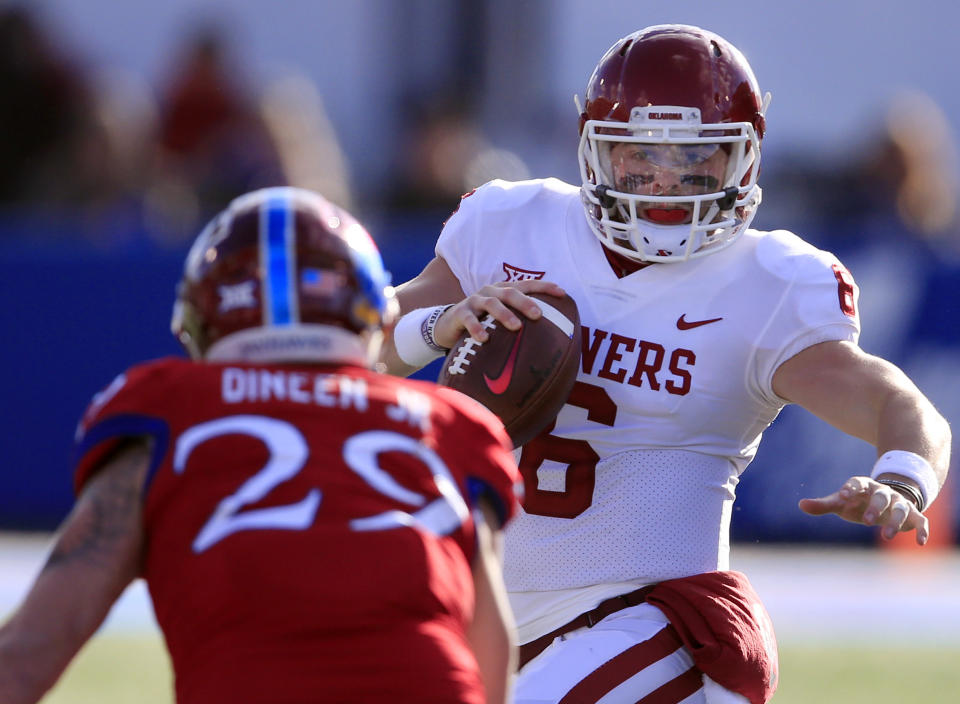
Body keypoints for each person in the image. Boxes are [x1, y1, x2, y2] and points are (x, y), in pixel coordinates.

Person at [380, 24, 952, 704]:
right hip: (493, 616)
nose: (666, 181)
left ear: (744, 160)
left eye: (695, 159)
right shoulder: (512, 222)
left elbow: (893, 398)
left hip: (662, 622)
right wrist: (440, 324)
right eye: (640, 155)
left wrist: (904, 477)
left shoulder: (766, 283)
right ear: (594, 151)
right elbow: (358, 342)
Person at [0, 187, 521, 704]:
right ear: (372, 314)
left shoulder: (165, 411)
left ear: (202, 321)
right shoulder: (454, 427)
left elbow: (35, 646)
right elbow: (491, 658)